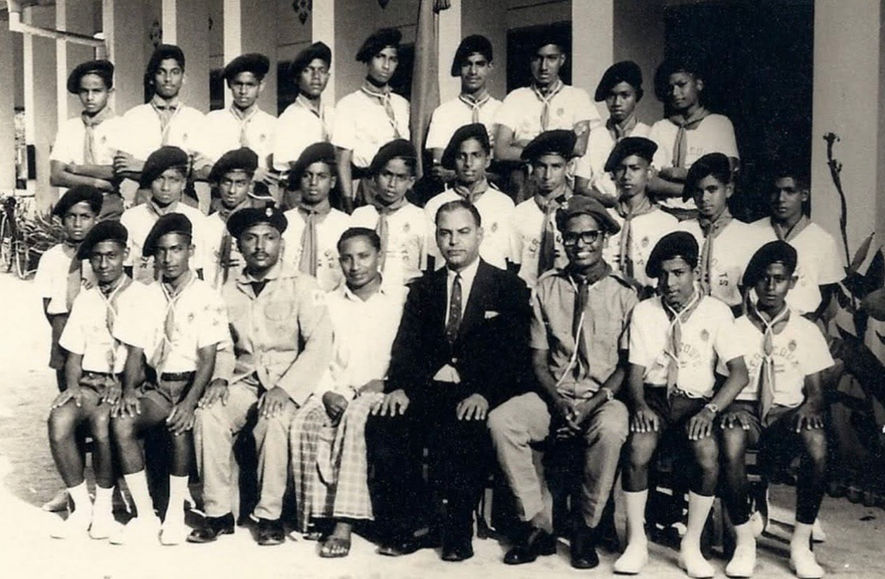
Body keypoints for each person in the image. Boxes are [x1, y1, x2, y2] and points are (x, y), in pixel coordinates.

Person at [366, 200, 531, 562]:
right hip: (427, 388)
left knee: (463, 427)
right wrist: (400, 387)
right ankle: (413, 523)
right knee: (388, 420)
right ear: (436, 238)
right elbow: (406, 346)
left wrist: (485, 394)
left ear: (480, 235)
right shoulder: (423, 288)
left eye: (463, 232)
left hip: (479, 391)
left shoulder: (508, 286)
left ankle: (457, 529)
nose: (454, 241)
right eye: (445, 233)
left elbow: (514, 356)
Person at [489, 196, 634, 569]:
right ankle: (537, 524)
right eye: (571, 237)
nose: (580, 244)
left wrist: (590, 405)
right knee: (503, 421)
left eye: (589, 236)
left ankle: (586, 527)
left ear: (604, 238)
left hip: (602, 398)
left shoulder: (625, 293)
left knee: (613, 428)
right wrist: (558, 403)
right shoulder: (547, 287)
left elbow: (626, 365)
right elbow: (539, 360)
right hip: (554, 396)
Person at [189, 207, 332, 546]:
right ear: (239, 245)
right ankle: (218, 514)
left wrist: (285, 389)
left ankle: (269, 516)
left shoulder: (304, 285)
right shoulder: (227, 289)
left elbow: (318, 346)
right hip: (244, 381)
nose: (260, 246)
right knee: (208, 414)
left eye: (269, 238)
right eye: (251, 238)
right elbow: (224, 345)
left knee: (274, 420)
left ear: (281, 243)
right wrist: (220, 379)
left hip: (287, 382)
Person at [614, 231, 748, 577]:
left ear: (695, 272)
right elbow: (635, 371)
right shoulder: (645, 311)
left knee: (707, 454)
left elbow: (739, 374)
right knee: (638, 449)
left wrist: (710, 410)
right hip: (656, 399)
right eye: (662, 275)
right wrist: (639, 405)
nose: (669, 283)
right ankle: (636, 542)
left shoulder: (716, 312)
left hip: (696, 403)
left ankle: (691, 546)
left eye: (678, 273)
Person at [109, 213, 229, 546]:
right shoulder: (145, 296)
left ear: (191, 251)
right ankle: (145, 515)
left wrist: (189, 403)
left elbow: (208, 357)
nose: (168, 258)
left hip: (192, 384)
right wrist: (129, 390)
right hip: (159, 387)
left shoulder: (206, 296)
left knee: (180, 425)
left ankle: (175, 514)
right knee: (122, 422)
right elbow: (135, 351)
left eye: (176, 249)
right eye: (161, 251)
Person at [289, 227, 406, 557]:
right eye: (347, 259)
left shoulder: (400, 300)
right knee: (304, 422)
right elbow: (316, 354)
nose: (355, 266)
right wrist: (327, 393)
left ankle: (344, 522)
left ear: (379, 256)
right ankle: (316, 515)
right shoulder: (328, 302)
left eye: (364, 256)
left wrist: (388, 382)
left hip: (380, 389)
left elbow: (410, 354)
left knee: (354, 421)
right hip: (335, 387)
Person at [719, 241, 832, 579]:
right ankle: (744, 542)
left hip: (786, 415)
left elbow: (816, 393)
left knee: (817, 443)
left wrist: (809, 406)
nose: (770, 286)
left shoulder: (806, 331)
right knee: (731, 439)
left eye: (779, 279)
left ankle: (800, 544)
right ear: (753, 282)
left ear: (792, 282)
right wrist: (732, 408)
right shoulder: (734, 328)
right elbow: (722, 382)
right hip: (747, 412)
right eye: (764, 278)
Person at [47, 220, 142, 540]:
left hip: (128, 383)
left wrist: (125, 386)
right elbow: (74, 355)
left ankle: (103, 509)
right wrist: (73, 387)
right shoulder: (86, 299)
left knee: (103, 423)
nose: (103, 264)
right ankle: (81, 507)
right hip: (91, 382)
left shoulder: (142, 296)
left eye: (111, 256)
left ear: (125, 255)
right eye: (97, 257)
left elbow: (141, 355)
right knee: (59, 420)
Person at [494, 34, 599, 200]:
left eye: (551, 58)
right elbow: (501, 151)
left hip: (564, 186)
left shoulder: (577, 97)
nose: (544, 66)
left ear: (562, 60)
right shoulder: (516, 98)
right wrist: (562, 140)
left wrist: (525, 145)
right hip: (525, 187)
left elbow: (579, 147)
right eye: (538, 58)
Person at [648, 56, 740, 220]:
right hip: (664, 214)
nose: (675, 93)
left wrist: (676, 174)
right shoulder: (660, 128)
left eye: (681, 85)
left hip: (703, 214)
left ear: (699, 84)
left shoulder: (719, 124)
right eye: (670, 87)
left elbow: (725, 176)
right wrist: (696, 184)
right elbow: (650, 182)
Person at [114, 45, 207, 204]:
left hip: (185, 199)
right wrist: (180, 169)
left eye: (175, 72)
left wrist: (142, 165)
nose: (168, 79)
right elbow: (123, 167)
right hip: (144, 198)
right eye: (161, 72)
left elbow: (198, 171)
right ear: (152, 77)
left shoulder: (196, 118)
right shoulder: (133, 116)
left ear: (184, 77)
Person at [750, 167, 844, 319]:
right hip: (759, 320)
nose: (781, 198)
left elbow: (826, 290)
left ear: (804, 195)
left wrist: (809, 321)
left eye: (789, 191)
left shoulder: (823, 240)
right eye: (776, 191)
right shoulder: (752, 232)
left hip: (804, 320)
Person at [677, 152, 765, 313]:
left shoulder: (748, 237)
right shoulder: (683, 230)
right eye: (698, 191)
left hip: (730, 316)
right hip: (688, 315)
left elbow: (751, 293)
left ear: (729, 190)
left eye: (712, 190)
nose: (704, 198)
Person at [333, 28, 410, 212]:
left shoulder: (402, 104)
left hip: (400, 188)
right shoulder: (349, 104)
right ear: (368, 60)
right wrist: (348, 202)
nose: (386, 65)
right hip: (369, 188)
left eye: (392, 59)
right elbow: (343, 161)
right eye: (380, 57)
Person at [35, 186, 102, 391]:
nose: (77, 223)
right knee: (67, 387)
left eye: (85, 217)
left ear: (96, 219)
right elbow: (47, 304)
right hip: (63, 327)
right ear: (63, 221)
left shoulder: (102, 256)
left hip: (97, 330)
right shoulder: (51, 257)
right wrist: (65, 329)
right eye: (71, 216)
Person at [424, 123, 514, 271]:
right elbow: (431, 257)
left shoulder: (504, 204)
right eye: (461, 156)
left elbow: (509, 257)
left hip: (493, 282)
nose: (468, 164)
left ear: (487, 160)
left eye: (476, 155)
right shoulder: (435, 204)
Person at [574, 60, 661, 205]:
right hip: (600, 207)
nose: (617, 103)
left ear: (637, 96)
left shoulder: (650, 134)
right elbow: (580, 187)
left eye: (625, 95)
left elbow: (652, 182)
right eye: (611, 96)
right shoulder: (595, 135)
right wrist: (606, 200)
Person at [50, 59, 124, 221]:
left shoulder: (121, 126)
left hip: (109, 204)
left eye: (97, 91)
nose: (90, 97)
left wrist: (75, 169)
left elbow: (116, 172)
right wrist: (97, 183)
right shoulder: (69, 127)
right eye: (84, 91)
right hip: (75, 205)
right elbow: (56, 176)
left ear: (109, 92)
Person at [602, 136, 678, 294]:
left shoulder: (666, 223)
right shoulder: (604, 218)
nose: (626, 176)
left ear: (649, 172)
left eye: (634, 168)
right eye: (621, 169)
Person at [119, 146, 206, 284]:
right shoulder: (131, 217)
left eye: (173, 180)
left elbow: (198, 267)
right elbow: (127, 267)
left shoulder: (196, 218)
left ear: (183, 183)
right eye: (159, 179)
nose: (165, 187)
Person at [350, 139, 428, 287]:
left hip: (406, 292)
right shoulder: (360, 216)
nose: (392, 184)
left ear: (411, 182)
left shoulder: (419, 217)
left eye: (401, 177)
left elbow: (424, 267)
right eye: (387, 174)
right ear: (375, 177)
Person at [200, 53, 278, 199]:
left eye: (250, 85)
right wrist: (247, 174)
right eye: (238, 84)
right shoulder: (213, 121)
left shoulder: (272, 124)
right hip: (222, 200)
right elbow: (202, 167)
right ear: (229, 84)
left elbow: (277, 169)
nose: (243, 91)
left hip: (260, 199)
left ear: (261, 86)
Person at [425, 35, 501, 183]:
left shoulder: (501, 110)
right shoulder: (444, 112)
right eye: (467, 64)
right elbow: (440, 169)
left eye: (480, 64)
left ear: (490, 66)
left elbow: (505, 171)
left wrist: (456, 174)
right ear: (460, 68)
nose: (473, 71)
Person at [510, 129, 576, 288]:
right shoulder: (520, 213)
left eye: (556, 166)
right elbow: (515, 262)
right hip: (528, 292)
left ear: (568, 168)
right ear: (532, 169)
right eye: (541, 166)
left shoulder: (578, 210)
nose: (548, 175)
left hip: (566, 291)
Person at [281, 142, 351, 291]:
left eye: (321, 176)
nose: (313, 182)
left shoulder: (345, 223)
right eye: (307, 176)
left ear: (332, 182)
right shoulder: (284, 221)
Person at [274, 42, 334, 183]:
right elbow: (292, 165)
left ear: (328, 76)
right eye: (308, 70)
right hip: (303, 187)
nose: (316, 76)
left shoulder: (334, 114)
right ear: (298, 77)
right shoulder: (289, 118)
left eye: (322, 71)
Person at [202, 147, 260, 288]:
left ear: (250, 185)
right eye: (227, 182)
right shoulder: (206, 224)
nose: (232, 191)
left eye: (240, 183)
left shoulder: (259, 224)